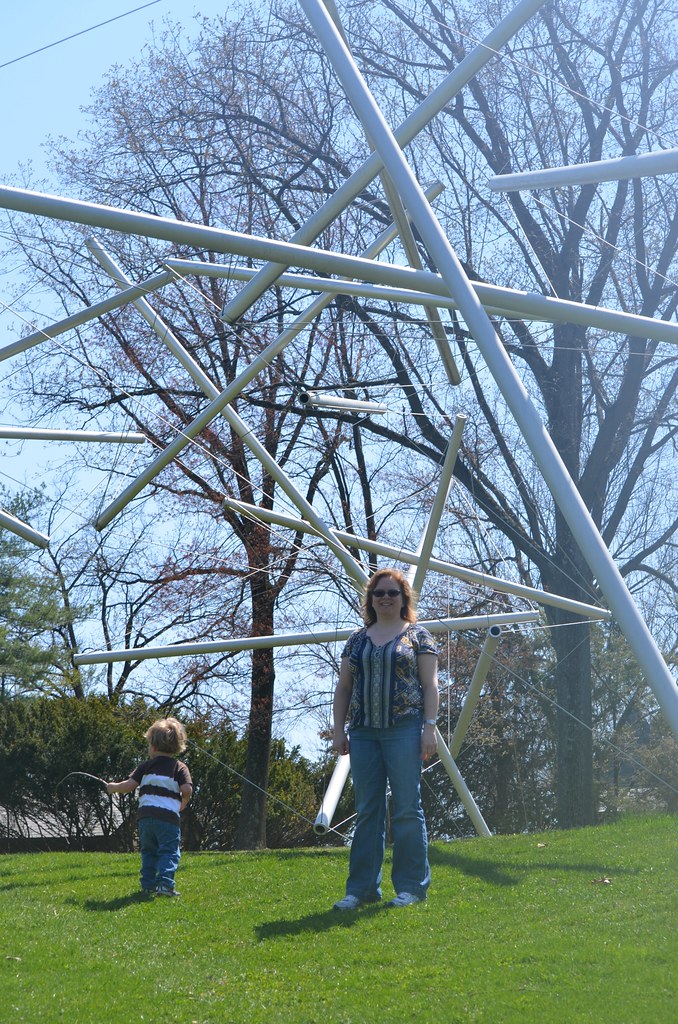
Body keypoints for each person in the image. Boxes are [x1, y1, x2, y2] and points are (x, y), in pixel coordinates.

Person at [331, 567, 439, 910]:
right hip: (363, 733)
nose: (386, 598)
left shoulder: (419, 636)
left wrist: (429, 728)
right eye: (380, 593)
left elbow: (430, 686)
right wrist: (339, 730)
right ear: (371, 599)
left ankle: (411, 887)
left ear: (404, 598)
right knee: (367, 811)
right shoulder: (357, 639)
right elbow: (344, 688)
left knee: (407, 808)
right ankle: (361, 889)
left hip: (405, 730)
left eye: (393, 593)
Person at [106, 717, 192, 897]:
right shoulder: (179, 767)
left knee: (148, 851)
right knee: (168, 851)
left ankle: (147, 885)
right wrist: (183, 802)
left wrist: (113, 787)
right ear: (178, 746)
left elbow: (129, 785)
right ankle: (165, 885)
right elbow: (186, 789)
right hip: (168, 819)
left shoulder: (145, 766)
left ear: (153, 747)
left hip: (145, 818)